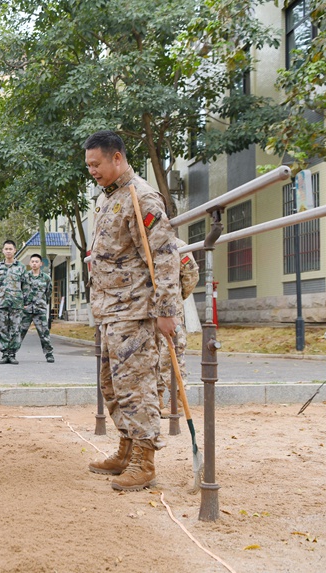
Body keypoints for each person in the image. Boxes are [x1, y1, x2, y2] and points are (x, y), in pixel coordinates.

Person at [83, 130, 180, 492]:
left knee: (137, 387)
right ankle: (126, 447)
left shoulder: (142, 198)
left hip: (136, 312)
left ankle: (144, 459)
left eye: (97, 164)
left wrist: (167, 309)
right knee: (113, 385)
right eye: (89, 165)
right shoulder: (111, 198)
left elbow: (165, 257)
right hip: (111, 311)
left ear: (117, 158)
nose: (92, 171)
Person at [157, 238, 199, 411]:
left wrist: (178, 297)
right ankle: (156, 399)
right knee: (149, 356)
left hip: (170, 309)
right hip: (145, 309)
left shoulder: (177, 245)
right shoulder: (139, 241)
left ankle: (177, 401)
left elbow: (191, 274)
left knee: (170, 353)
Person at [0, 239, 28, 364]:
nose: (8, 251)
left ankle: (12, 354)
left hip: (17, 304)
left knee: (15, 329)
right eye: (6, 249)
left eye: (10, 249)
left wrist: (25, 302)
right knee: (2, 329)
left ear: (15, 250)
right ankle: (4, 354)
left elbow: (25, 286)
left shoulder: (21, 267)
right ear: (3, 251)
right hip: (2, 303)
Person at [20, 254, 55, 363]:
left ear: (41, 263)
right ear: (30, 263)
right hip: (26, 310)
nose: (34, 263)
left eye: (36, 261)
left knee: (44, 333)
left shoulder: (46, 278)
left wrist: (41, 302)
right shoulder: (24, 277)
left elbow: (48, 292)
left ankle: (49, 354)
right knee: (19, 332)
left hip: (39, 310)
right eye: (32, 261)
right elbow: (19, 292)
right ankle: (10, 354)